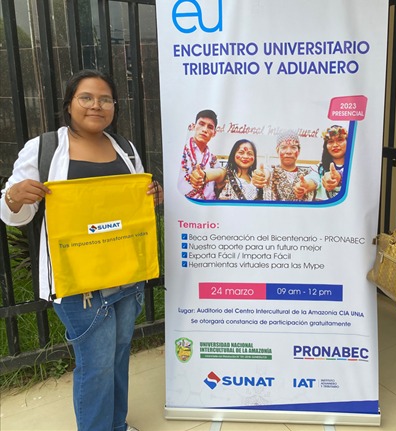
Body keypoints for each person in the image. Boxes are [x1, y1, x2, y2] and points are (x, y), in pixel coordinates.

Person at [0, 69, 163, 431]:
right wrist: (14, 197)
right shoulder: (43, 149)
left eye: (105, 99)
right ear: (69, 104)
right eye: (86, 97)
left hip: (125, 274)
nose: (96, 106)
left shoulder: (125, 148)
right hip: (79, 284)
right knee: (96, 364)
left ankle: (117, 425)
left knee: (118, 357)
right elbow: (14, 214)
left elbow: (133, 204)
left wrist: (151, 197)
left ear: (114, 106)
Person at [188, 139, 262, 200]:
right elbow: (212, 173)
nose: (245, 156)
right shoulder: (225, 173)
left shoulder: (256, 178)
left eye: (249, 153)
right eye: (241, 152)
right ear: (233, 154)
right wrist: (202, 175)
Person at [254, 130, 314, 201]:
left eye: (293, 147)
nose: (288, 152)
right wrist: (261, 176)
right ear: (277, 150)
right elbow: (265, 173)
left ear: (299, 151)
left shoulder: (308, 173)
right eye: (283, 147)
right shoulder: (271, 171)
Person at [177, 109, 219, 200]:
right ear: (193, 126)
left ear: (214, 133)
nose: (204, 130)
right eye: (201, 124)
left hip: (208, 205)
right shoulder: (179, 152)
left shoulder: (214, 161)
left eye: (210, 127)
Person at [299, 125, 348, 200]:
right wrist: (306, 185)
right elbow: (313, 179)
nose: (335, 145)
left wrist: (339, 177)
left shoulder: (355, 167)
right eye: (330, 142)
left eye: (340, 140)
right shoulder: (319, 168)